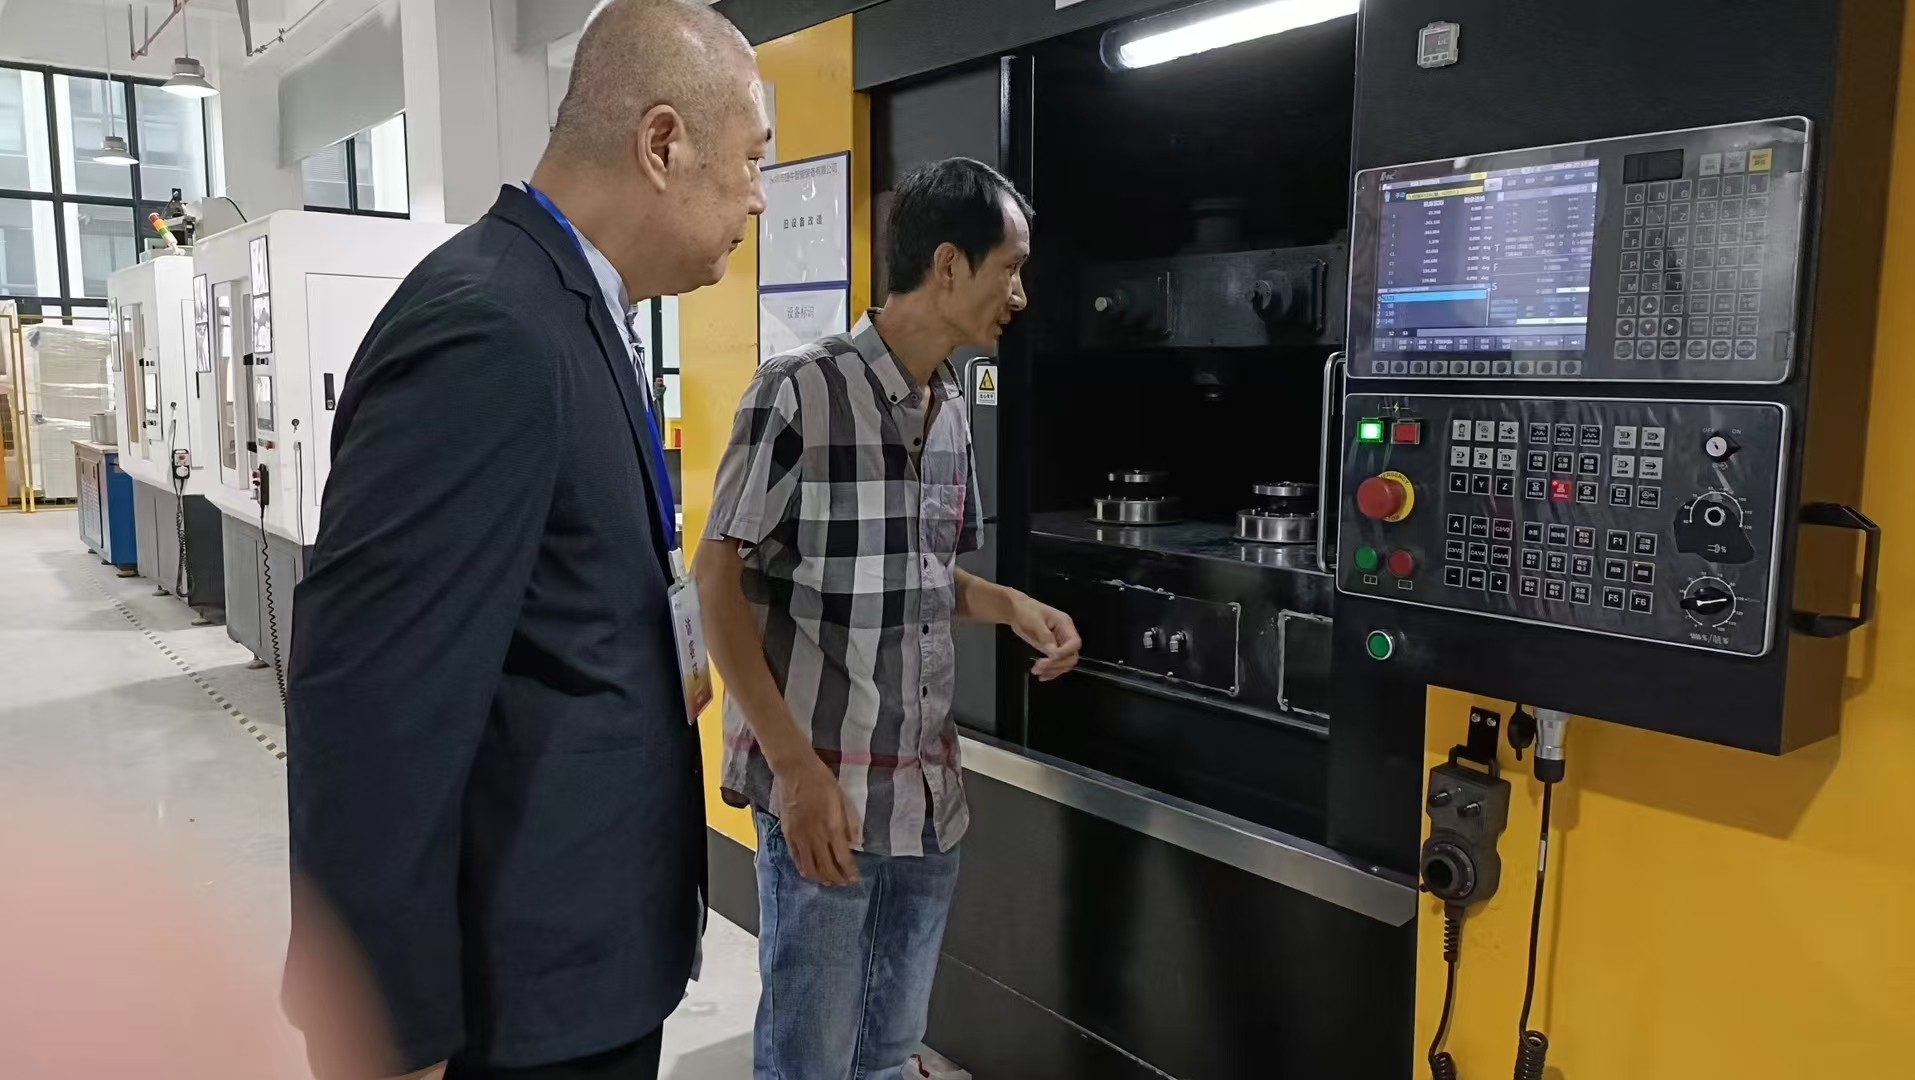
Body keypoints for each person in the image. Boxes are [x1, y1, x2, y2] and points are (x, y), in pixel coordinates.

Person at [282, 2, 770, 1078]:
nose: (757, 196)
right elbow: (371, 711)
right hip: (514, 1011)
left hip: (588, 967)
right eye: (750, 159)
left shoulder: (581, 312)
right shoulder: (490, 327)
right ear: (661, 144)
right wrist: (383, 1036)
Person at [696, 157, 1082, 1080]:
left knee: (887, 1056)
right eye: (1009, 269)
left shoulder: (947, 412)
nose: (1019, 296)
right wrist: (795, 772)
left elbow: (920, 576)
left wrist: (1011, 605)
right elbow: (715, 581)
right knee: (810, 1063)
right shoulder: (798, 392)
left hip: (925, 802)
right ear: (948, 266)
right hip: (825, 798)